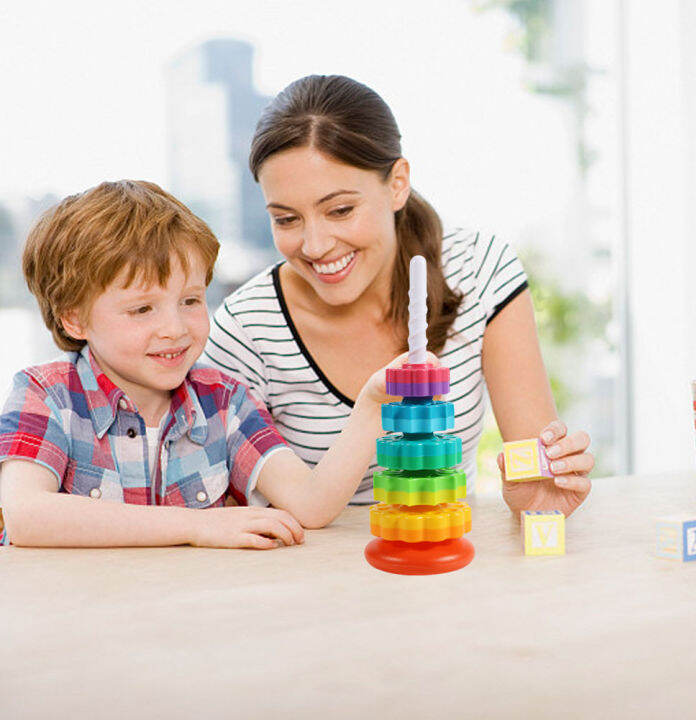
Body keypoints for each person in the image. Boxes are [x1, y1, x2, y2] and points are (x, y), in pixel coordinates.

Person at [204, 74, 594, 517]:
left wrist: (536, 496)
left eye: (340, 210)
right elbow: (241, 511)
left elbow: (535, 469)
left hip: (439, 562)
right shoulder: (246, 328)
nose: (314, 246)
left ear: (397, 183)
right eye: (287, 219)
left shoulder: (481, 270)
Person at [0, 180, 403, 548]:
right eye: (142, 309)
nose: (175, 329)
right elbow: (27, 516)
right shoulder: (46, 394)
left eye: (190, 300)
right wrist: (196, 526)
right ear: (74, 318)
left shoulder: (225, 402)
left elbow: (311, 505)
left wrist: (371, 408)